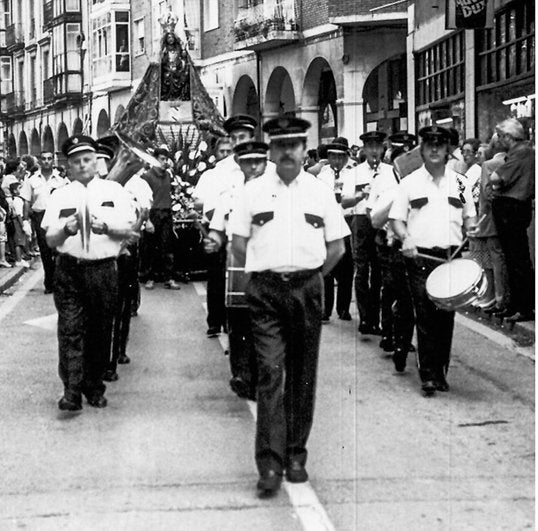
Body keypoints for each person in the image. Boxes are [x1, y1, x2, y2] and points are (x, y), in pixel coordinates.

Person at [230, 117, 349, 496]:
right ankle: (269, 464)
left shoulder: (319, 191)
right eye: (279, 145)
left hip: (306, 289)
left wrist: (311, 278)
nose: (286, 152)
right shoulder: (252, 192)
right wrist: (260, 278)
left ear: (303, 148)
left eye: (294, 145)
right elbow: (238, 242)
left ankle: (296, 454)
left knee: (302, 374)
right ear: (270, 149)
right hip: (265, 291)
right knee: (269, 372)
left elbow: (337, 248)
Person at [42, 135, 136, 411]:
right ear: (68, 166)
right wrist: (65, 229)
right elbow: (50, 239)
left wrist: (105, 227)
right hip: (70, 270)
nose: (82, 166)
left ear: (96, 162)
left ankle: (93, 386)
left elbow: (129, 231)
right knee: (70, 330)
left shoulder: (114, 192)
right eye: (76, 162)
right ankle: (71, 390)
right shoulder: (60, 195)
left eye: (87, 160)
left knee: (99, 331)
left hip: (103, 270)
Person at [390, 125, 476, 397]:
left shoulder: (460, 182)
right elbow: (396, 219)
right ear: (422, 150)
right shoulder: (410, 182)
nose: (435, 150)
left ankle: (441, 372)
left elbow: (469, 215)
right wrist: (406, 239)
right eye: (430, 145)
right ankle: (428, 375)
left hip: (450, 257)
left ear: (448, 149)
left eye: (440, 145)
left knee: (446, 316)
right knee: (426, 314)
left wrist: (471, 227)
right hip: (420, 258)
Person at [204, 141, 269, 400]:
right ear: (239, 164)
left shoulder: (277, 193)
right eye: (247, 161)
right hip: (238, 259)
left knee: (263, 321)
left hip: (267, 260)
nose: (253, 166)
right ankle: (242, 375)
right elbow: (217, 228)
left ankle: (262, 373)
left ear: (266, 163)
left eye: (258, 161)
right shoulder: (230, 195)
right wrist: (213, 241)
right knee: (239, 322)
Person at [194, 114, 261, 337]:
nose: (237, 143)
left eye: (242, 137)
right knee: (225, 287)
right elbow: (211, 208)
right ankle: (221, 326)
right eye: (233, 138)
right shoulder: (219, 172)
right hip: (227, 237)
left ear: (253, 138)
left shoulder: (268, 168)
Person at [369, 131, 416, 366]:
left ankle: (401, 337)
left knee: (408, 296)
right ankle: (390, 334)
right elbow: (375, 216)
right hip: (389, 243)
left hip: (414, 245)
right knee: (392, 290)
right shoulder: (386, 181)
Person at [342, 131, 390, 335]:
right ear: (364, 149)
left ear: (382, 149)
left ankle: (376, 319)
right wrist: (362, 194)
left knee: (380, 271)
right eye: (369, 147)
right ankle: (365, 318)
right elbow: (344, 201)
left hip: (382, 223)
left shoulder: (390, 171)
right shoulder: (354, 173)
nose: (373, 151)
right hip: (361, 221)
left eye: (377, 147)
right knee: (361, 270)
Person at [490, 118, 535, 322]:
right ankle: (515, 304)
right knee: (512, 258)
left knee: (517, 260)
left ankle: (524, 306)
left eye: (500, 136)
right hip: (511, 206)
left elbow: (496, 178)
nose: (499, 141)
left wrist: (495, 185)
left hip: (513, 208)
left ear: (509, 136)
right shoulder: (522, 152)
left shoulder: (522, 152)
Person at [468, 133, 509, 314]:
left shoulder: (489, 166)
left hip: (489, 219)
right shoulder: (515, 162)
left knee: (493, 260)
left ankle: (498, 297)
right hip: (512, 218)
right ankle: (502, 296)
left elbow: (486, 193)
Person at [317, 136, 354, 321]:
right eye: (333, 157)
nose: (337, 161)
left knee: (346, 270)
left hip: (347, 222)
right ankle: (326, 309)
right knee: (327, 269)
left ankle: (344, 308)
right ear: (329, 157)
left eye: (341, 157)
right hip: (328, 225)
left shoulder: (353, 173)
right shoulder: (322, 176)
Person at [20, 151, 68, 293]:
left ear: (53, 161)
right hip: (40, 217)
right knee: (45, 251)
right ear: (40, 161)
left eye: (49, 159)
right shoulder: (32, 180)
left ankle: (59, 281)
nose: (46, 161)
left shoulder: (61, 181)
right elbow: (27, 201)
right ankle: (49, 283)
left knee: (59, 251)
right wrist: (25, 220)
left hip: (57, 218)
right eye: (44, 159)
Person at [142, 147, 181, 290]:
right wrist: (148, 220)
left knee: (167, 246)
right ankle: (150, 277)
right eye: (162, 159)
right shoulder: (147, 176)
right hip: (153, 214)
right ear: (155, 159)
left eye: (166, 159)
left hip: (166, 214)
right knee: (151, 247)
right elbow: (144, 200)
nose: (165, 162)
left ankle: (169, 278)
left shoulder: (168, 175)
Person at [7, 181, 30, 267]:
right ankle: (19, 260)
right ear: (15, 191)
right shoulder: (18, 200)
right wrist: (22, 225)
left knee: (20, 240)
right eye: (20, 188)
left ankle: (20, 258)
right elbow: (19, 214)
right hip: (17, 222)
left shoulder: (17, 199)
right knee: (19, 242)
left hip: (17, 221)